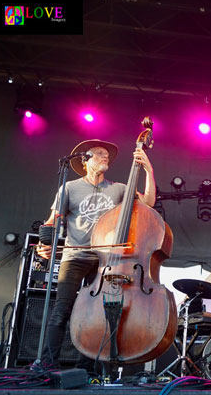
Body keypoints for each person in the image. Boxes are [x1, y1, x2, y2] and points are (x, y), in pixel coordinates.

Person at [34, 139, 156, 369]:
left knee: (99, 314)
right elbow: (52, 222)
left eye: (107, 155)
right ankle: (47, 364)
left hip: (106, 261)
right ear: (85, 159)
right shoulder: (69, 188)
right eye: (99, 154)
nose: (105, 157)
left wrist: (148, 170)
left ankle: (86, 367)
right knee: (62, 309)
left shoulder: (119, 189)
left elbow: (148, 203)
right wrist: (45, 243)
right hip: (75, 257)